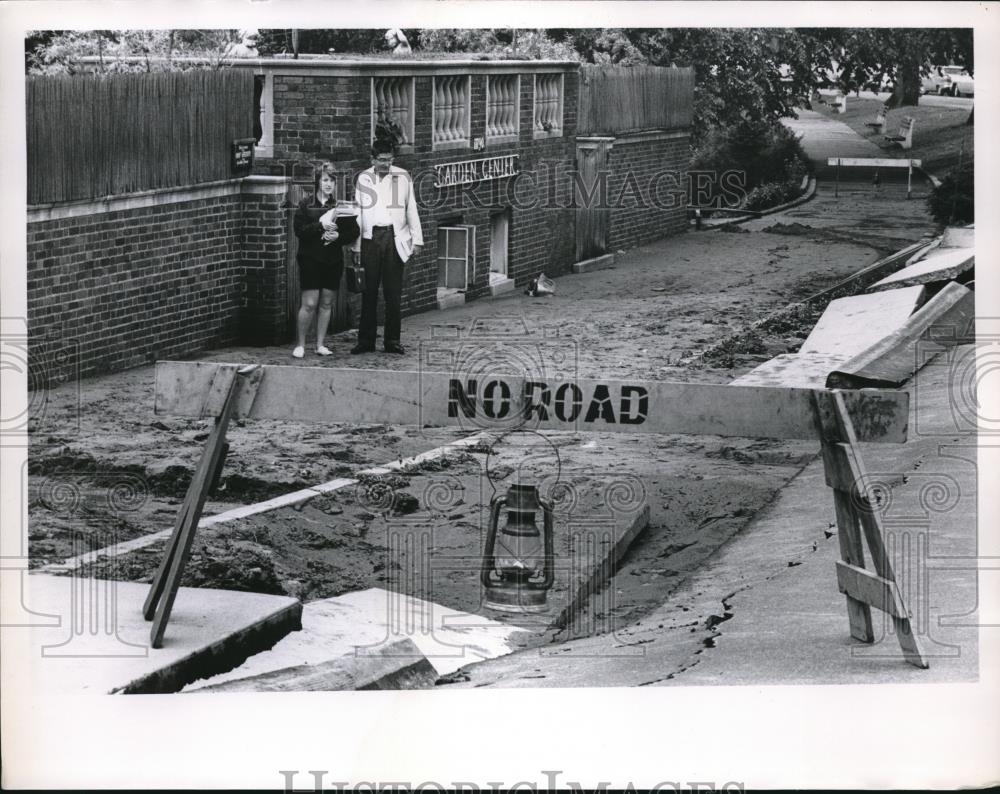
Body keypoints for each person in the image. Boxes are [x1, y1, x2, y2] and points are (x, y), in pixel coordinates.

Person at [350, 138, 423, 355]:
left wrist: (417, 240)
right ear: (373, 159)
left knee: (393, 294)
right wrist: (356, 247)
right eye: (381, 160)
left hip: (394, 237)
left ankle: (392, 341)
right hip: (370, 239)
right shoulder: (363, 178)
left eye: (389, 160)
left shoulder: (402, 177)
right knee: (369, 293)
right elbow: (357, 213)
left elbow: (412, 209)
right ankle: (366, 341)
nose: (385, 164)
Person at [292, 162, 359, 358]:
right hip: (311, 259)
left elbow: (353, 231)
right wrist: (320, 226)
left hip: (332, 260)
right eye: (325, 180)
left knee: (327, 303)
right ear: (318, 182)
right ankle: (301, 344)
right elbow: (300, 231)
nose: (328, 184)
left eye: (331, 180)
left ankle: (320, 344)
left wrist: (339, 237)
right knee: (310, 303)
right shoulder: (306, 205)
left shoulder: (340, 206)